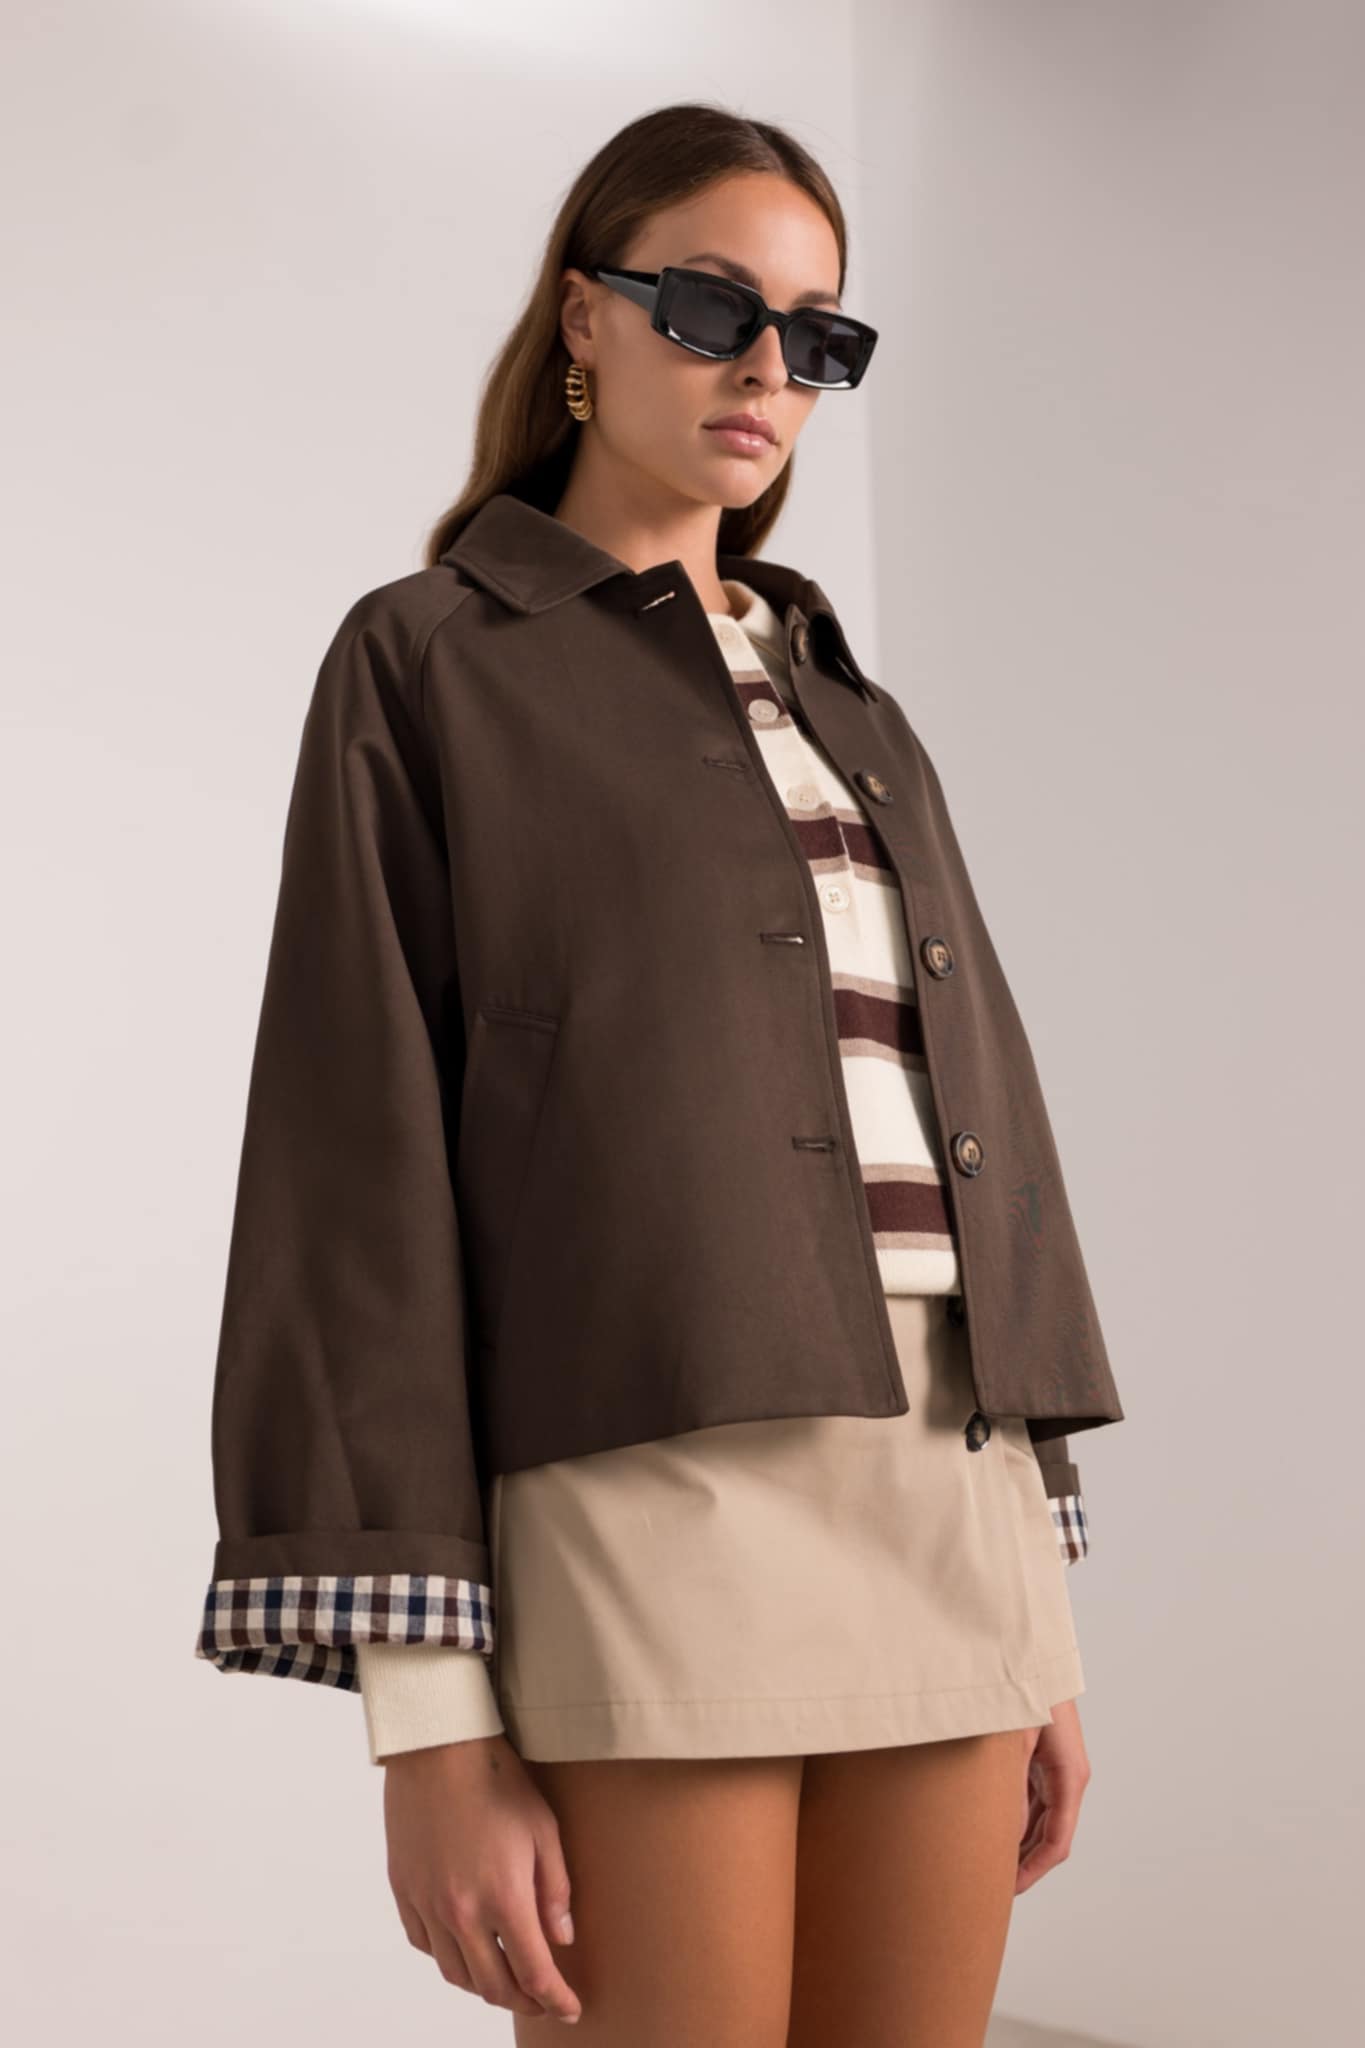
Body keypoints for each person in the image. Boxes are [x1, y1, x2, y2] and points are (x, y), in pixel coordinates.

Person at [195, 102, 1123, 2047]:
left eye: (817, 334)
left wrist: (1035, 1617)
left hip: (946, 1508)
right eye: (710, 307)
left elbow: (968, 1138)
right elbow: (356, 1185)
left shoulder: (849, 704)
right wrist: (430, 1727)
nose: (767, 369)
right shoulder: (433, 662)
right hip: (646, 1512)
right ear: (581, 320)